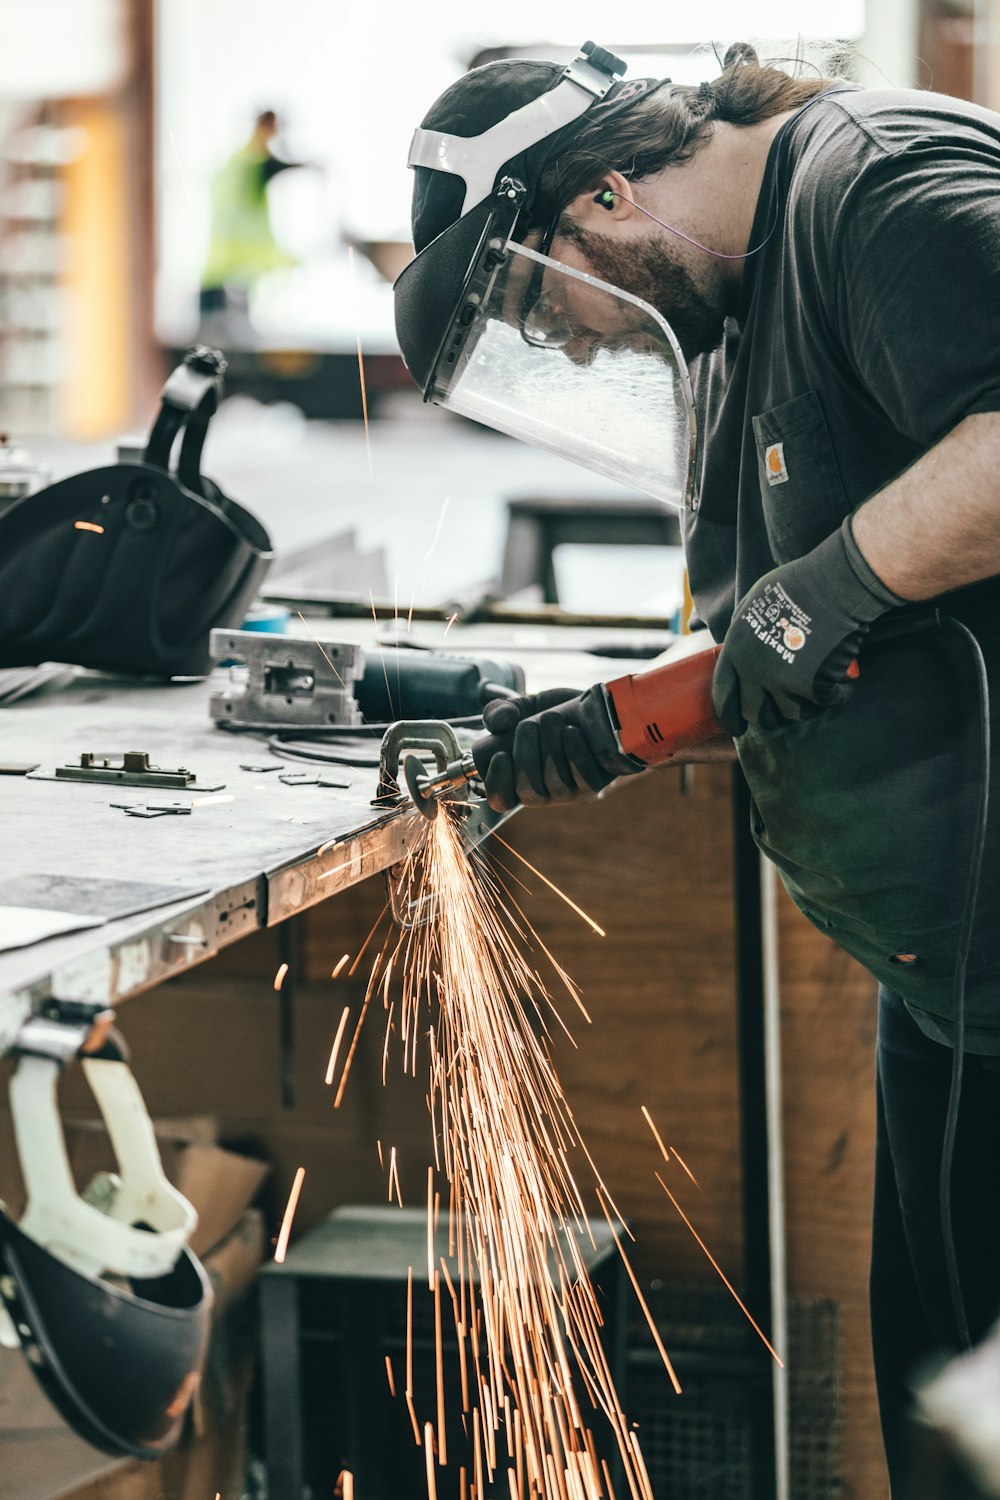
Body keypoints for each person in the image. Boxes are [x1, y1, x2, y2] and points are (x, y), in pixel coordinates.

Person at [393, 40, 1000, 1497]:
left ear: (604, 197)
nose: (584, 347)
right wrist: (617, 727)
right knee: (950, 1419)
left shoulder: (878, 185)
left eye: (553, 309)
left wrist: (831, 589)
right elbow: (778, 641)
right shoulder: (738, 330)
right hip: (954, 981)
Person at [199, 109, 303, 327]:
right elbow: (279, 165)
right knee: (222, 324)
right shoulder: (252, 161)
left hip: (228, 259)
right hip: (237, 255)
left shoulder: (240, 159)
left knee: (226, 321)